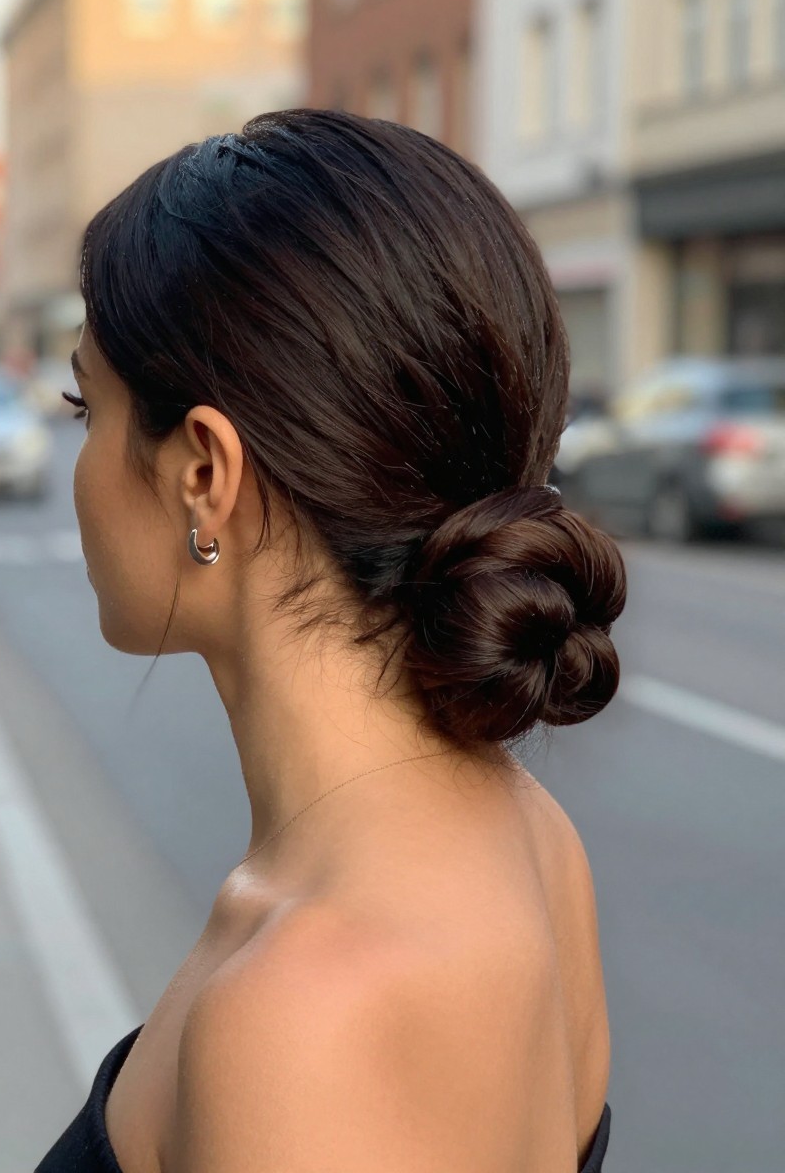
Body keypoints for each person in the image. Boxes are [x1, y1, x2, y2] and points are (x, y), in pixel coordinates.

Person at [36, 110, 624, 1173]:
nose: (77, 458)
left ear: (204, 472)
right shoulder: (535, 839)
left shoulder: (301, 1011)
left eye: (89, 403)